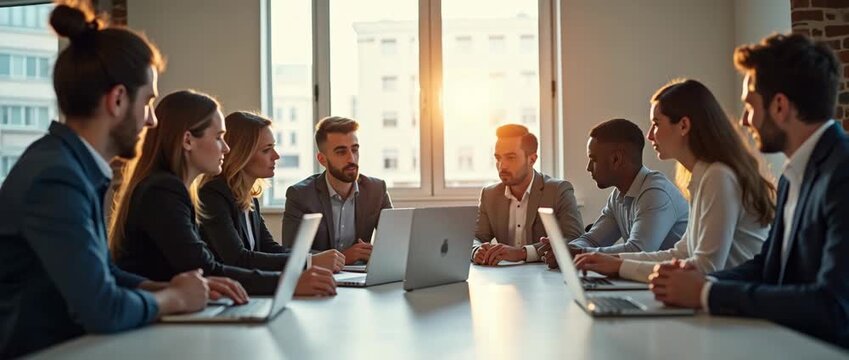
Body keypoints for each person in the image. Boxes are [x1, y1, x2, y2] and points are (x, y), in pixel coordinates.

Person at [0, 3, 211, 357]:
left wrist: (165, 286)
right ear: (117, 100)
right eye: (148, 103)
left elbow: (102, 272)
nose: (152, 122)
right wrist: (175, 298)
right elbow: (103, 309)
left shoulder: (71, 164)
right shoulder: (56, 178)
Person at [649, 34, 849, 348]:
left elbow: (833, 306)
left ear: (780, 106)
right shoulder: (793, 175)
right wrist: (698, 281)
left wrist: (706, 293)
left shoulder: (842, 172)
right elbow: (766, 267)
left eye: (749, 106)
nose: (743, 120)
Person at [110, 90, 336, 297]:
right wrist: (288, 282)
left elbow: (212, 266)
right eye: (218, 138)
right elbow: (208, 269)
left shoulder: (172, 189)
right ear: (188, 140)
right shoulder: (164, 191)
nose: (226, 148)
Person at [573, 79, 775, 283]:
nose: (650, 135)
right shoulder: (704, 176)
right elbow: (681, 253)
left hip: (735, 302)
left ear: (684, 125)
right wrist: (611, 261)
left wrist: (619, 265)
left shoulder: (718, 176)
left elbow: (705, 267)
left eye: (656, 124)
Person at [198, 111, 344, 272]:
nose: (276, 156)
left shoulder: (248, 198)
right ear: (242, 154)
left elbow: (270, 248)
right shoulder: (212, 196)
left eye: (273, 148)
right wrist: (309, 262)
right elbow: (238, 258)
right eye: (266, 150)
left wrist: (317, 258)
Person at [540, 119, 689, 269]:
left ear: (616, 159)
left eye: (593, 159)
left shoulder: (655, 193)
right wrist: (564, 249)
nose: (588, 168)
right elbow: (592, 240)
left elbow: (638, 251)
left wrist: (577, 252)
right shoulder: (618, 196)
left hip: (678, 286)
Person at [282, 116, 392, 265]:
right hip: (319, 278)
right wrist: (344, 257)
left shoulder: (376, 190)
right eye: (341, 152)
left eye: (355, 149)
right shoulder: (300, 195)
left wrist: (376, 253)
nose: (352, 159)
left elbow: (394, 244)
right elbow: (291, 253)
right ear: (322, 159)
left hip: (361, 277)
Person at [472, 124, 584, 266]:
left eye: (510, 158)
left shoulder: (559, 190)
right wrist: (476, 250)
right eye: (498, 158)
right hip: (505, 277)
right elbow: (476, 237)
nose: (502, 166)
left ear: (532, 159)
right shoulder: (489, 194)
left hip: (547, 276)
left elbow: (574, 239)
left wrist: (523, 253)